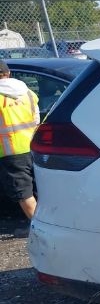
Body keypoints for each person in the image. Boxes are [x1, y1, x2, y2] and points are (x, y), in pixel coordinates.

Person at [0, 62, 39, 226]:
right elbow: (36, 118)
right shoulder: (28, 93)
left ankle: (40, 229)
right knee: (41, 190)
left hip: (11, 153)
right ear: (8, 73)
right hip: (34, 148)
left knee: (24, 195)